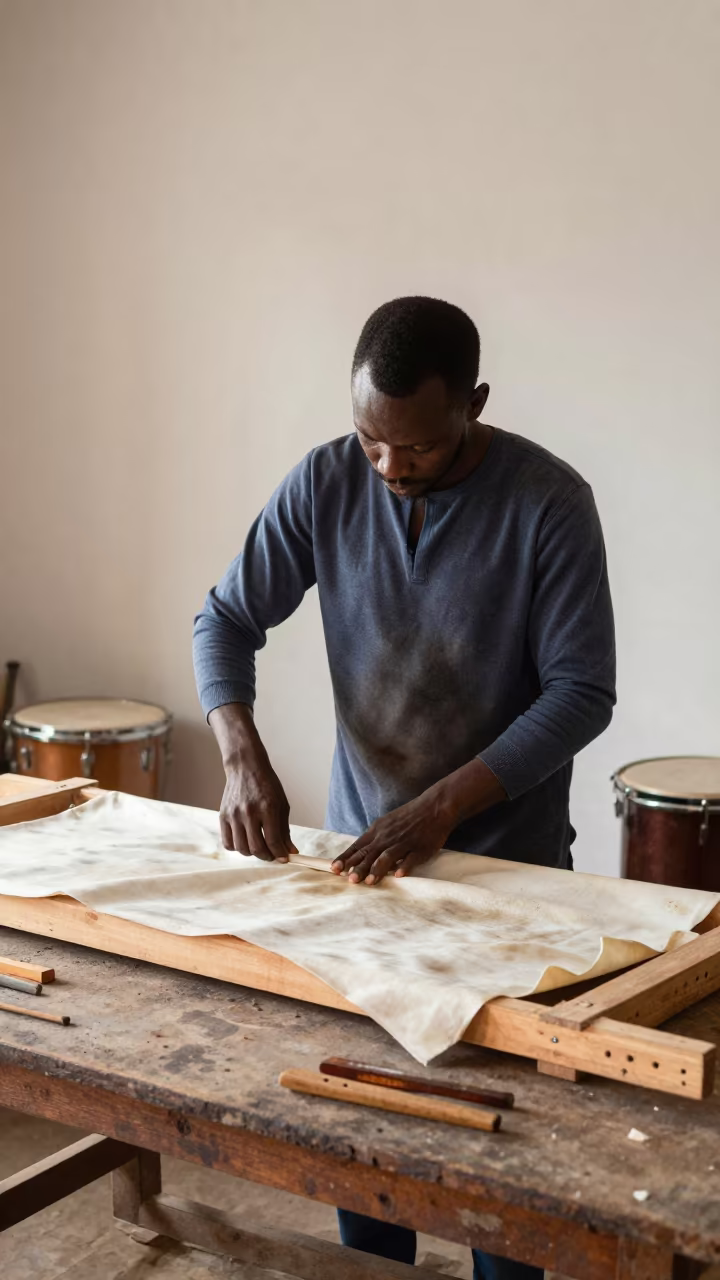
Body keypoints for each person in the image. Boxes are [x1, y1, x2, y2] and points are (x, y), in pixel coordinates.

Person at [193, 296, 616, 1279]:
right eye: (369, 439)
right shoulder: (328, 480)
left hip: (506, 876)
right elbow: (223, 620)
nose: (388, 468)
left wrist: (443, 807)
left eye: (417, 448)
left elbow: (582, 691)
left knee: (499, 1156)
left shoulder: (549, 501)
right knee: (364, 1131)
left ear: (473, 402)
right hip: (365, 871)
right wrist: (239, 747)